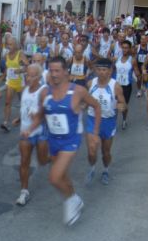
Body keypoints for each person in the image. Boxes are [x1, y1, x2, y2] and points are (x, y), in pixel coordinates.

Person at [23, 56, 101, 226]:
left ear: (66, 72)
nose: (54, 74)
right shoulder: (45, 92)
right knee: (63, 176)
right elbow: (41, 114)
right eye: (51, 70)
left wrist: (94, 133)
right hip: (53, 141)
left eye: (58, 70)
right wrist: (31, 127)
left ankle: (71, 200)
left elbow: (96, 106)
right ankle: (75, 199)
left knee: (54, 177)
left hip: (70, 141)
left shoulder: (78, 91)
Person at [85, 58, 127, 185]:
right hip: (92, 119)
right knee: (92, 150)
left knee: (105, 152)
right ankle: (92, 168)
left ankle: (105, 170)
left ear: (110, 71)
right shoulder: (90, 83)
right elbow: (84, 99)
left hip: (108, 122)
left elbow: (123, 103)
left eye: (104, 70)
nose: (101, 72)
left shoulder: (115, 86)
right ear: (95, 70)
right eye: (98, 69)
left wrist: (122, 106)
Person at [12, 64, 49, 206]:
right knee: (24, 161)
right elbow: (25, 108)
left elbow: (45, 113)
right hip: (26, 131)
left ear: (39, 77)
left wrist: (35, 122)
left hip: (40, 131)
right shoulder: (25, 90)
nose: (28, 78)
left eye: (32, 75)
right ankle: (24, 192)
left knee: (42, 161)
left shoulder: (44, 91)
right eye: (27, 75)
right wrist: (20, 119)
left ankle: (51, 157)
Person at [0, 37, 29, 132]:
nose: (9, 46)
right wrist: (3, 76)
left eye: (11, 44)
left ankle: (23, 120)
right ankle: (5, 122)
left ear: (16, 45)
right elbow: (7, 67)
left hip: (20, 83)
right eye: (8, 44)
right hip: (10, 82)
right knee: (7, 102)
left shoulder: (20, 54)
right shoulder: (7, 55)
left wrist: (20, 70)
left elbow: (27, 66)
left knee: (23, 103)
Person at [113, 40, 141, 129]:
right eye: (123, 48)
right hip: (116, 86)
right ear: (121, 48)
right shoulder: (116, 58)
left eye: (126, 48)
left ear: (129, 49)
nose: (125, 50)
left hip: (126, 87)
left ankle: (124, 120)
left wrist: (139, 75)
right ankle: (113, 122)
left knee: (123, 106)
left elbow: (137, 72)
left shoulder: (132, 60)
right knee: (115, 104)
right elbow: (112, 70)